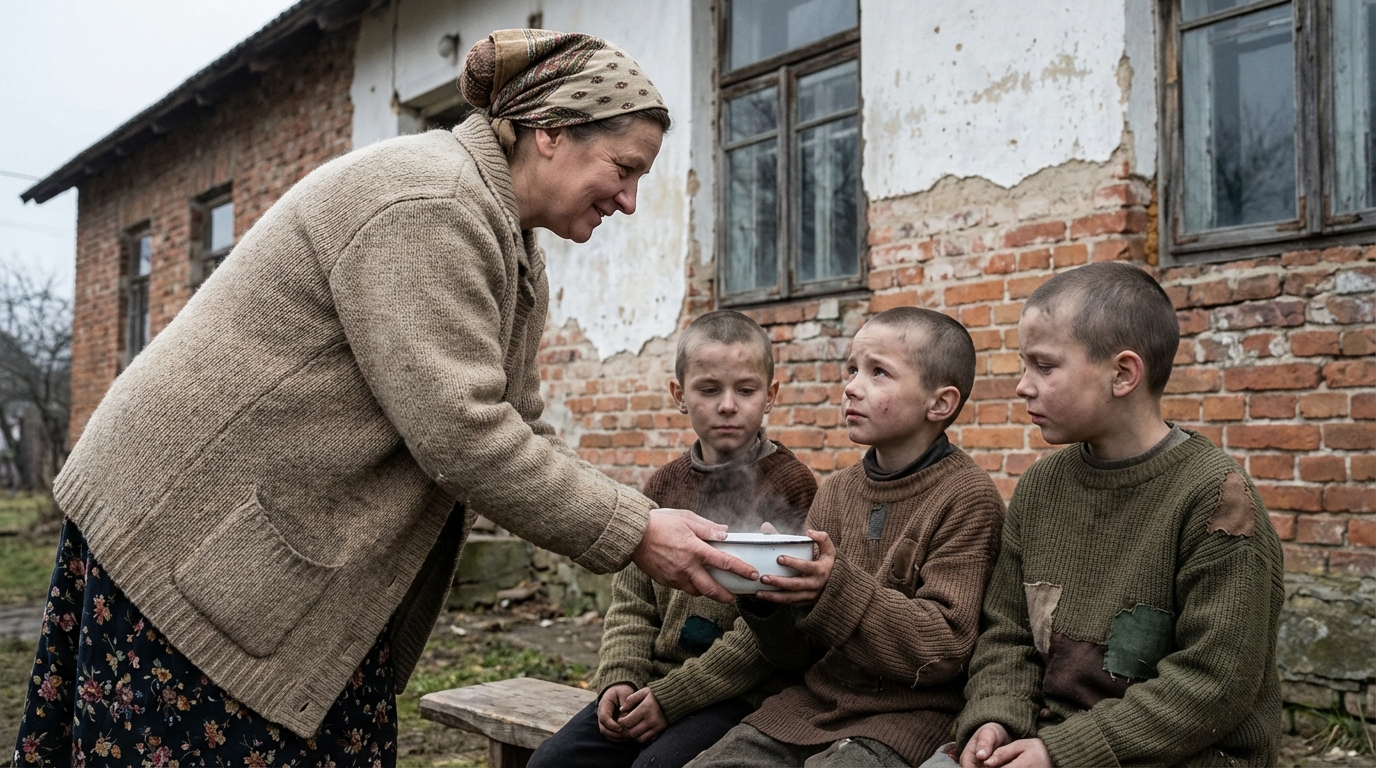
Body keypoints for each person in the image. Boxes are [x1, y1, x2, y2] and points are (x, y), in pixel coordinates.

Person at [11, 29, 758, 768]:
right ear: (552, 131)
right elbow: (462, 434)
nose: (629, 200)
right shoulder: (427, 201)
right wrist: (636, 531)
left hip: (271, 549)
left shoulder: (513, 246)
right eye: (624, 169)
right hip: (183, 535)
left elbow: (515, 423)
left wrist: (646, 520)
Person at [954, 262, 1283, 768]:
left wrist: (1062, 753)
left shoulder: (1216, 498)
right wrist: (996, 718)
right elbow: (1007, 633)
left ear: (1123, 374)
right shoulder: (1041, 488)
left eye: (1044, 366)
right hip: (1043, 740)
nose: (1022, 386)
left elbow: (1213, 682)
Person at [688, 307, 1005, 768]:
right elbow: (794, 656)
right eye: (852, 369)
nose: (852, 387)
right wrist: (766, 597)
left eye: (878, 373)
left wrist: (832, 589)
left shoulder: (968, 498)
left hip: (903, 720)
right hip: (808, 708)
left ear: (940, 404)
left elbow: (944, 649)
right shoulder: (836, 490)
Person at [531, 310, 818, 767]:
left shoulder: (793, 487)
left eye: (746, 390)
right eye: (709, 389)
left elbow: (771, 635)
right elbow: (631, 602)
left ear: (771, 396)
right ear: (679, 395)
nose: (728, 405)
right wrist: (620, 678)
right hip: (651, 684)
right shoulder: (662, 488)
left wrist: (671, 699)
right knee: (553, 762)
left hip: (745, 694)